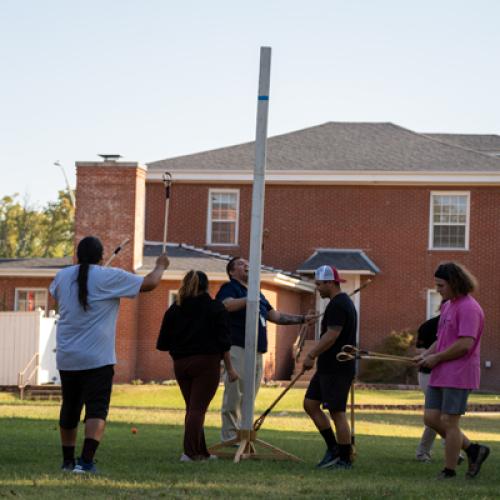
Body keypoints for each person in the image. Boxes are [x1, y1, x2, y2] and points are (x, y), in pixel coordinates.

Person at [49, 236, 169, 474]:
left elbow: (56, 294)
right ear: (101, 256)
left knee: (70, 407)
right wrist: (160, 266)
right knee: (96, 408)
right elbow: (150, 284)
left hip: (68, 356)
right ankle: (85, 462)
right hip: (97, 357)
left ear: (77, 255)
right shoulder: (110, 276)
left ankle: (67, 461)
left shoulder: (62, 276)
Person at [216, 257, 316, 443]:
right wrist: (248, 299)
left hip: (257, 351)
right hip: (237, 348)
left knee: (250, 395)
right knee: (234, 394)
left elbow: (275, 315)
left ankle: (244, 433)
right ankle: (230, 437)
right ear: (231, 272)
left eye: (247, 263)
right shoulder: (229, 288)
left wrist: (302, 319)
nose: (246, 265)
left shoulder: (258, 293)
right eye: (240, 264)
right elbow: (225, 305)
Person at [416, 262, 490, 480]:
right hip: (440, 372)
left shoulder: (469, 308)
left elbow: (465, 343)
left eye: (441, 285)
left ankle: (449, 471)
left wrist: (436, 358)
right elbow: (442, 339)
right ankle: (474, 450)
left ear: (455, 283)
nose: (438, 290)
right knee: (431, 418)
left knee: (450, 422)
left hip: (459, 373)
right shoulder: (448, 305)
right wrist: (424, 354)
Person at [156, 270, 239, 461]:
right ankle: (190, 452)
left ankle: (201, 451)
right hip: (206, 363)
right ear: (206, 286)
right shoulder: (215, 308)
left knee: (193, 408)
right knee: (197, 409)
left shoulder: (174, 308)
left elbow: (163, 343)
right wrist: (230, 369)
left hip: (180, 363)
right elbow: (224, 342)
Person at [303, 265, 357, 470]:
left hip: (338, 367)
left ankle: (344, 459)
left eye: (319, 284)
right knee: (310, 404)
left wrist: (310, 355)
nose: (317, 288)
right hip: (327, 367)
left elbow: (331, 335)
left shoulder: (339, 305)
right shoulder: (337, 303)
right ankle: (333, 448)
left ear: (330, 283)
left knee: (337, 412)